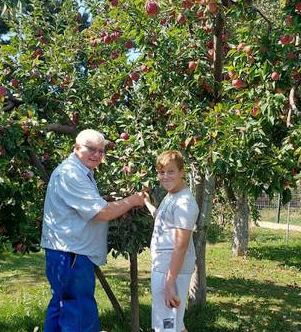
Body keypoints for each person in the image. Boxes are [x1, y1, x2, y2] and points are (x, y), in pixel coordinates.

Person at [40, 128, 145, 332]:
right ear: (76, 148)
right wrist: (132, 200)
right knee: (78, 312)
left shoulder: (80, 171)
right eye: (91, 149)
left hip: (67, 251)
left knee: (61, 306)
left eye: (101, 150)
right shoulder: (71, 174)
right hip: (71, 254)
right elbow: (102, 212)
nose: (97, 154)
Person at [143, 150, 199, 332]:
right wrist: (147, 203)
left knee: (167, 327)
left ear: (182, 172)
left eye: (170, 171)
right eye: (161, 172)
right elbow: (163, 218)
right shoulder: (172, 195)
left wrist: (169, 283)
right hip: (164, 267)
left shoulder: (184, 203)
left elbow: (180, 246)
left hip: (171, 271)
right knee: (175, 324)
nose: (165, 177)